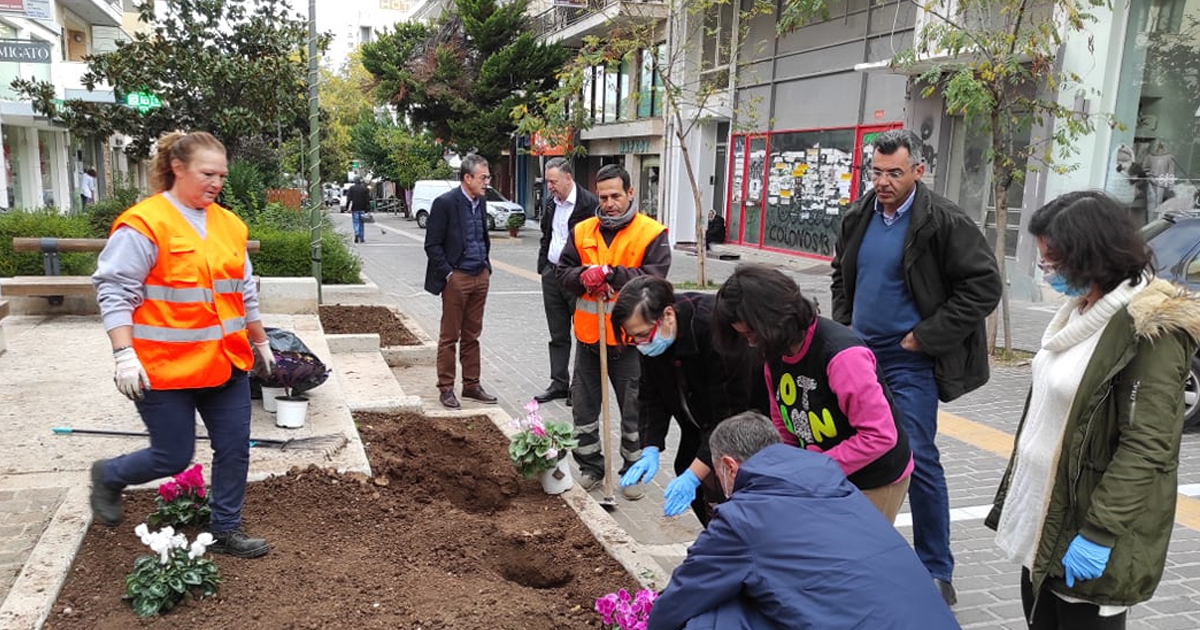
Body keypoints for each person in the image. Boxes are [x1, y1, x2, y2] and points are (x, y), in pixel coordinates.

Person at [986, 191, 1200, 630]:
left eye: (1053, 263)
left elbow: (1148, 445)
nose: (1047, 274)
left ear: (1091, 257)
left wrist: (1099, 533)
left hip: (1090, 527)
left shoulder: (1149, 328)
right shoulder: (1078, 312)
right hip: (1048, 516)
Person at [830, 128, 1002, 604]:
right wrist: (844, 324)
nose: (883, 182)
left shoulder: (942, 221)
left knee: (919, 458)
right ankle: (855, 557)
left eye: (894, 173)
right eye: (877, 172)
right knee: (856, 454)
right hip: (859, 358)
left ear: (918, 171)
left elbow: (984, 287)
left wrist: (924, 336)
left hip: (909, 362)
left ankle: (935, 569)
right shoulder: (859, 216)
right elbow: (840, 273)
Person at [88, 131, 275, 559]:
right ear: (178, 168)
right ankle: (110, 474)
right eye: (207, 174)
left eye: (222, 176)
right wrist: (124, 355)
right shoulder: (145, 224)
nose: (216, 183)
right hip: (165, 367)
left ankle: (225, 528)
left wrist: (260, 341)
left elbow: (243, 289)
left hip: (225, 363)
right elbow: (114, 291)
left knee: (234, 448)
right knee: (172, 455)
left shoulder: (229, 225)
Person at [646, 412, 960, 630]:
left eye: (717, 475)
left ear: (729, 466)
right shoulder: (835, 485)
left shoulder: (744, 517)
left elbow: (686, 594)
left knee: (715, 614)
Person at [713, 264, 913, 523]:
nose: (750, 342)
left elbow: (880, 436)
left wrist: (812, 467)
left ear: (773, 319)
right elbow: (783, 427)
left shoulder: (842, 356)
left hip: (872, 477)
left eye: (752, 333)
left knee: (853, 555)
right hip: (822, 472)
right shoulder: (774, 353)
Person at [557, 163, 671, 499]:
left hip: (631, 344)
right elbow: (562, 273)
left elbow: (655, 280)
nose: (609, 203)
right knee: (584, 411)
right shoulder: (582, 231)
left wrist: (611, 274)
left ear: (630, 193)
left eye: (616, 196)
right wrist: (583, 277)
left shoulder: (651, 233)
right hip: (590, 340)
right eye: (603, 196)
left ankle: (632, 472)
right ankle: (591, 466)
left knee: (634, 411)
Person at [614, 276, 755, 525]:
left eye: (643, 334)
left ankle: (736, 550)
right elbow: (650, 395)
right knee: (690, 470)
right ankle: (717, 543)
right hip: (698, 421)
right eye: (633, 337)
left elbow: (727, 416)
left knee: (728, 488)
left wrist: (693, 476)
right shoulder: (654, 340)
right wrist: (650, 447)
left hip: (743, 421)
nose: (639, 344)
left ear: (668, 315)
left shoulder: (714, 329)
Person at [423, 154, 498, 410]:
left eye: (487, 177)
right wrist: (449, 275)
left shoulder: (481, 202)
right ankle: (446, 388)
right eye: (483, 177)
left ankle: (471, 385)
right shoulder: (445, 203)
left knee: (472, 334)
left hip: (480, 275)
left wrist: (486, 267)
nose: (487, 181)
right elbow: (432, 245)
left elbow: (481, 237)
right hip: (457, 277)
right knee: (449, 336)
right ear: (467, 178)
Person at [534, 157, 598, 405]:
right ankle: (559, 383)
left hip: (577, 278)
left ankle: (579, 388)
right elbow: (546, 235)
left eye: (553, 181)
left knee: (583, 333)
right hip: (552, 274)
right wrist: (543, 267)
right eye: (548, 181)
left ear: (568, 178)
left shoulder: (588, 204)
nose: (549, 186)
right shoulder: (551, 204)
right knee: (557, 333)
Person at [346, 176, 372, 243]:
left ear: (354, 181)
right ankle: (362, 238)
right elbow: (367, 200)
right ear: (360, 181)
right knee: (361, 223)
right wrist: (368, 209)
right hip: (363, 208)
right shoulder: (365, 189)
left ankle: (356, 233)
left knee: (356, 222)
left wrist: (347, 207)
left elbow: (349, 199)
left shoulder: (351, 188)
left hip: (355, 208)